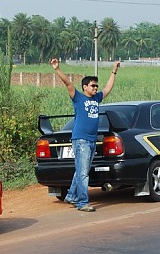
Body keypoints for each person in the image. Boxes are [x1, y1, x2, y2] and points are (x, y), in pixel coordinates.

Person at [50, 57, 120, 212]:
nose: (95, 88)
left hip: (91, 140)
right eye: (93, 86)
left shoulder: (96, 98)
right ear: (85, 87)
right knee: (83, 173)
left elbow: (108, 89)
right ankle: (82, 202)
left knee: (82, 170)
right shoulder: (78, 98)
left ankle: (71, 196)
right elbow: (68, 83)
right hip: (80, 140)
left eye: (96, 86)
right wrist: (57, 69)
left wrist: (114, 71)